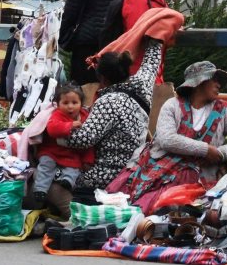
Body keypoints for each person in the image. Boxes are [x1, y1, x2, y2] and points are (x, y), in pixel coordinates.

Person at [111, 61, 227, 213]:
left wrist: (221, 152)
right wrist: (206, 149)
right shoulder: (172, 105)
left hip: (199, 176)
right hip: (159, 171)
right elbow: (167, 139)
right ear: (200, 82)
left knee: (178, 209)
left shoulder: (224, 110)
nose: (219, 84)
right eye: (214, 79)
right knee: (139, 208)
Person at [67, 40, 163, 191]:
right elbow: (152, 62)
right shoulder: (142, 85)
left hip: (108, 176)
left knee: (59, 177)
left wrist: (57, 130)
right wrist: (155, 39)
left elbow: (84, 140)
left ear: (102, 79)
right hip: (136, 172)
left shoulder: (107, 102)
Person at [32, 84, 93, 208]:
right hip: (52, 151)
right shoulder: (57, 114)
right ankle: (40, 189)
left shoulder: (86, 117)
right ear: (58, 104)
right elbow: (52, 129)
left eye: (74, 102)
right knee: (45, 165)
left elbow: (90, 141)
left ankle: (67, 182)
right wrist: (70, 125)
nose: (70, 106)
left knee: (75, 167)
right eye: (65, 103)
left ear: (81, 103)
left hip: (71, 153)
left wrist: (88, 160)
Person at [118, 0, 179, 83]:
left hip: (151, 69)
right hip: (137, 70)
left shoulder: (157, 0)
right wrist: (168, 32)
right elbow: (137, 36)